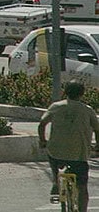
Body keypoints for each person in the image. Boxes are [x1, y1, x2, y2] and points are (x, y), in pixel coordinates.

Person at [40, 80, 99, 211]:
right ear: (82, 94)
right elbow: (97, 129)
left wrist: (42, 141)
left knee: (53, 158)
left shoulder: (56, 106)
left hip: (56, 153)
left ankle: (56, 180)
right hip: (79, 156)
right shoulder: (87, 110)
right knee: (82, 187)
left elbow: (42, 123)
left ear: (65, 92)